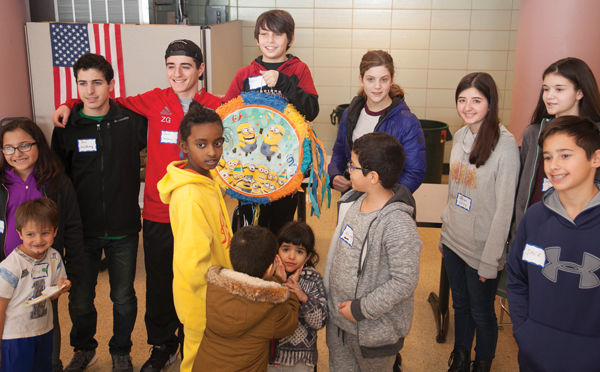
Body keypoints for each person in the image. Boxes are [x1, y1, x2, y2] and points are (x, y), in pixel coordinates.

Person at [52, 39, 223, 371]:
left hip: (200, 209)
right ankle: (163, 345)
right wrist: (70, 102)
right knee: (160, 282)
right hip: (160, 211)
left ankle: (198, 340)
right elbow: (101, 98)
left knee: (202, 277)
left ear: (200, 69)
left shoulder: (218, 105)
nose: (178, 73)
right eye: (171, 65)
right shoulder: (152, 100)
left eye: (186, 65)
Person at [51, 53, 147, 372]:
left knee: (123, 297)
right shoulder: (66, 126)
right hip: (82, 231)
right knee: (79, 299)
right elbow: (57, 180)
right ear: (75, 85)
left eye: (97, 83)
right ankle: (84, 348)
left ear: (111, 84)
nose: (90, 91)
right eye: (82, 83)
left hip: (124, 228)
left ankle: (121, 348)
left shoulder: (131, 120)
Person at [507, 116, 600, 371]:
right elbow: (516, 277)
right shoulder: (535, 217)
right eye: (548, 157)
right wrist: (525, 329)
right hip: (534, 351)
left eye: (565, 155)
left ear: (596, 158)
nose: (554, 166)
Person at [440, 73, 519, 372]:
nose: (468, 107)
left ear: (490, 103)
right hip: (454, 240)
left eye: (476, 100)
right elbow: (455, 191)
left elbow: (504, 209)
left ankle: (482, 364)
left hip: (482, 249)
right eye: (462, 100)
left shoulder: (505, 145)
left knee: (481, 312)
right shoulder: (460, 136)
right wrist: (444, 232)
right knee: (459, 306)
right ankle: (460, 359)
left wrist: (490, 260)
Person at [324, 132, 422, 371]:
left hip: (374, 333)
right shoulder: (353, 202)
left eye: (353, 166)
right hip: (339, 325)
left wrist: (360, 309)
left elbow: (404, 281)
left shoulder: (397, 224)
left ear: (373, 177)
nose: (348, 170)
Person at [0, 119, 84, 372]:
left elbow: (72, 226)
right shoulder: (2, 182)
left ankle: (51, 364)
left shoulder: (57, 181)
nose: (17, 153)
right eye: (9, 148)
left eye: (24, 145)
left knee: (45, 318)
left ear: (39, 145)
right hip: (9, 270)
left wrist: (76, 267)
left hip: (44, 268)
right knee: (9, 318)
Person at [226, 9, 319, 234]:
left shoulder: (299, 70)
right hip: (250, 166)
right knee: (251, 227)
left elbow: (311, 110)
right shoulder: (245, 74)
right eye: (264, 34)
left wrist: (284, 83)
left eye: (277, 35)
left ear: (290, 38)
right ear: (257, 39)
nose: (270, 40)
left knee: (281, 226)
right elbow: (227, 114)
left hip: (285, 166)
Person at [157, 102, 233, 372]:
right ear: (184, 146)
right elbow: (194, 265)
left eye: (218, 142)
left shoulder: (207, 179)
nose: (212, 152)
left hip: (215, 290)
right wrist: (221, 298)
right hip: (203, 298)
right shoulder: (190, 196)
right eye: (201, 144)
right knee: (198, 361)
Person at [512, 57, 600, 239]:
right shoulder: (534, 132)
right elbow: (522, 188)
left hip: (578, 234)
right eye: (546, 89)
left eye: (559, 89)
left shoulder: (594, 135)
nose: (549, 96)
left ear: (579, 93)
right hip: (533, 228)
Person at [193, 226, 300, 372]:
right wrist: (285, 285)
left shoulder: (213, 287)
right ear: (270, 269)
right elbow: (291, 323)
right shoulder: (271, 306)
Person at [328, 50, 426, 194]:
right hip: (353, 198)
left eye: (384, 79)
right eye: (371, 79)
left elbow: (414, 172)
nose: (377, 86)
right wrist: (334, 175)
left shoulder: (407, 122)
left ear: (392, 79)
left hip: (388, 206)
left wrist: (385, 199)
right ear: (361, 79)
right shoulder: (350, 113)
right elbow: (339, 152)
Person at [0, 198, 71, 372]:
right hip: (15, 336)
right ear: (20, 233)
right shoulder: (11, 266)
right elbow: (0, 307)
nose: (38, 240)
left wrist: (61, 287)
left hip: (44, 330)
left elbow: (52, 294)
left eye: (45, 233)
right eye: (30, 234)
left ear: (55, 231)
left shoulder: (54, 257)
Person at [269, 221, 327, 371]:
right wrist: (278, 282)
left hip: (301, 361)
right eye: (286, 249)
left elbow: (319, 322)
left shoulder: (312, 279)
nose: (292, 256)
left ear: (307, 257)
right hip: (269, 356)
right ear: (277, 250)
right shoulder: (268, 274)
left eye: (299, 252)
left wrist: (304, 298)